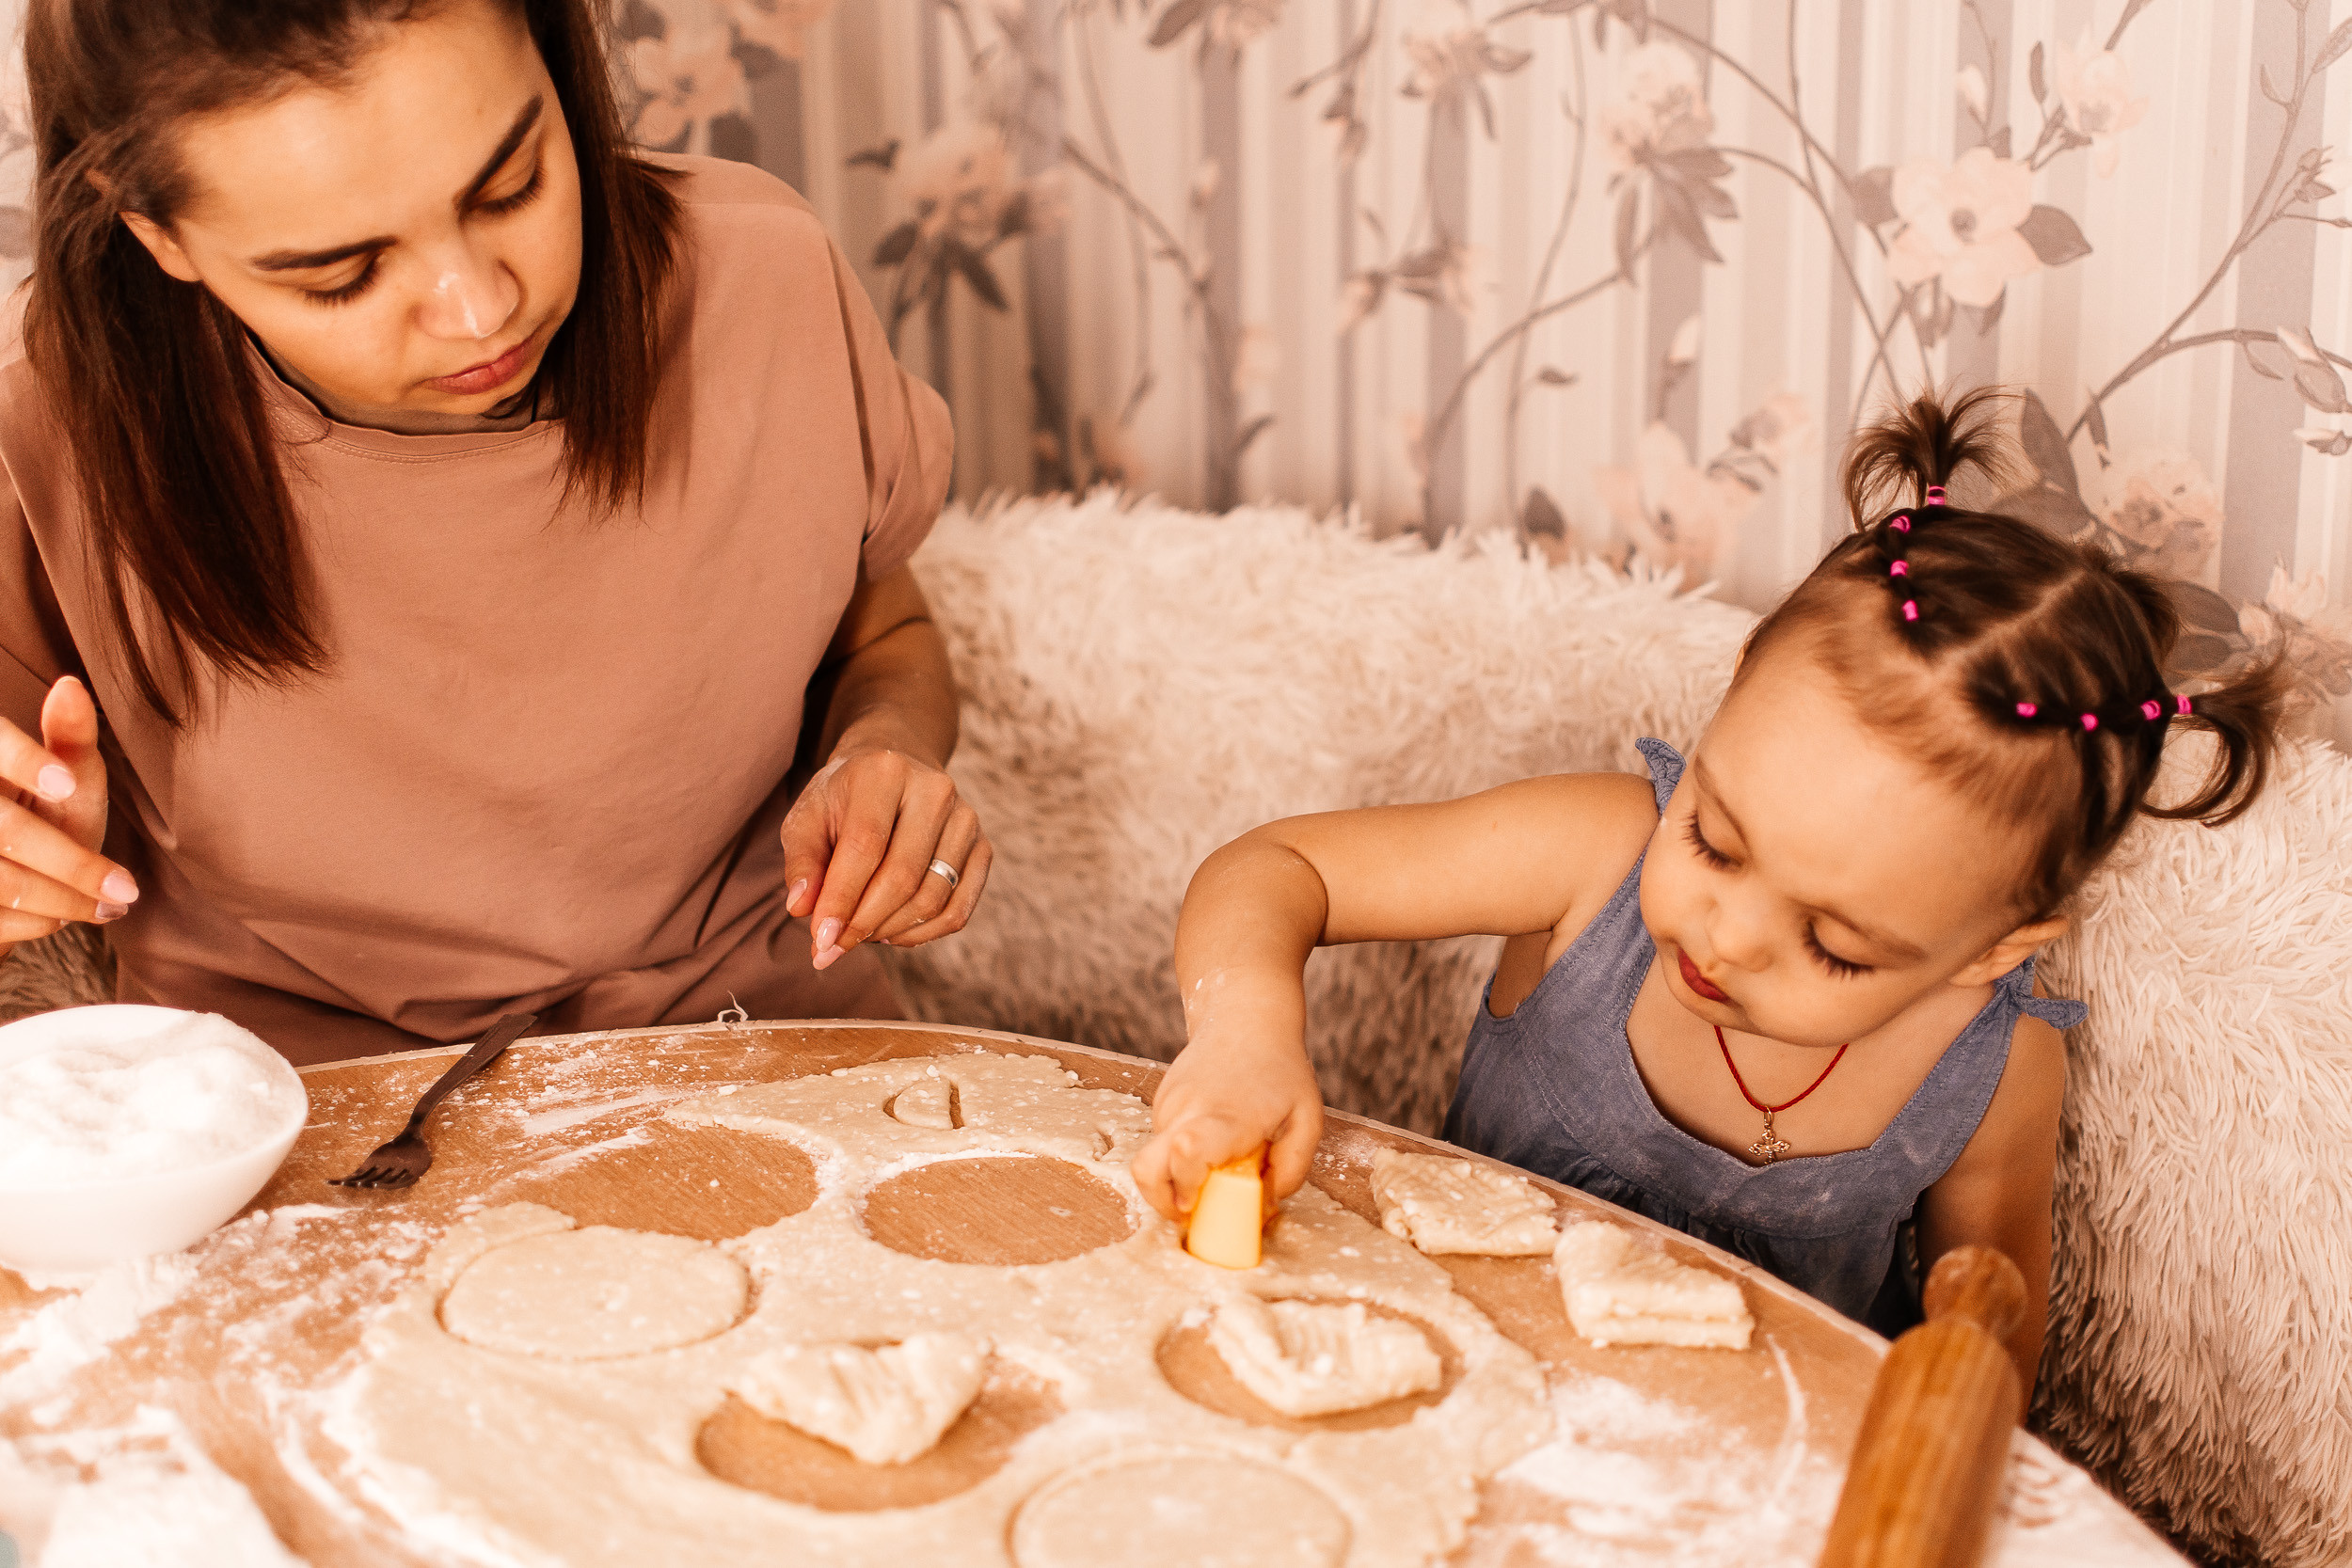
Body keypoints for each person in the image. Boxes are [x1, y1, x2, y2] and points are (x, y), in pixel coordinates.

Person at [1132, 390, 2285, 1380]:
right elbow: (1275, 868)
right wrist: (1244, 1035)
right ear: (1729, 697)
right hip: (1453, 1381)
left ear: (1992, 947)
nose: (1725, 936)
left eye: (1834, 944)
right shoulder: (1593, 854)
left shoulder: (1990, 1067)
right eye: (1716, 841)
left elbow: (1984, 1335)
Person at [0, 0, 987, 1064]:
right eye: (342, 274)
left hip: (772, 1048)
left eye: (512, 186)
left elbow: (882, 631)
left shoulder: (761, 277)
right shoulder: (53, 439)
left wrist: (884, 748)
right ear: (155, 233)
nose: (479, 310)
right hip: (294, 1101)